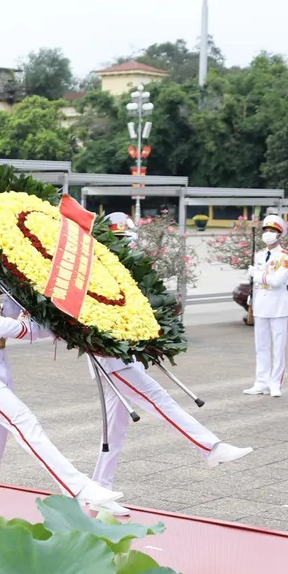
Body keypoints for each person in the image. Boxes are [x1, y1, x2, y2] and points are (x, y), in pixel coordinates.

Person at [0, 214, 122, 528]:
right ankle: (78, 487)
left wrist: (49, 320)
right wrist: (31, 328)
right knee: (25, 423)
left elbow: (13, 312)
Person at [87, 213, 252, 516]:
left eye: (127, 240)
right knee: (158, 399)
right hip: (110, 358)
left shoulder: (121, 271)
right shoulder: (96, 272)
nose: (125, 245)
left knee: (115, 430)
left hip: (124, 353)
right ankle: (210, 448)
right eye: (119, 240)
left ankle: (99, 489)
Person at [245, 215, 288, 397]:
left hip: (278, 306)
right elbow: (258, 284)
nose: (268, 234)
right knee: (261, 346)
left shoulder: (286, 256)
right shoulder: (258, 255)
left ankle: (275, 383)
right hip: (261, 305)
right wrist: (252, 297)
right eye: (266, 231)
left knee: (278, 347)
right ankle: (261, 382)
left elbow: (277, 280)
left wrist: (256, 275)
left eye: (272, 231)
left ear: (280, 235)